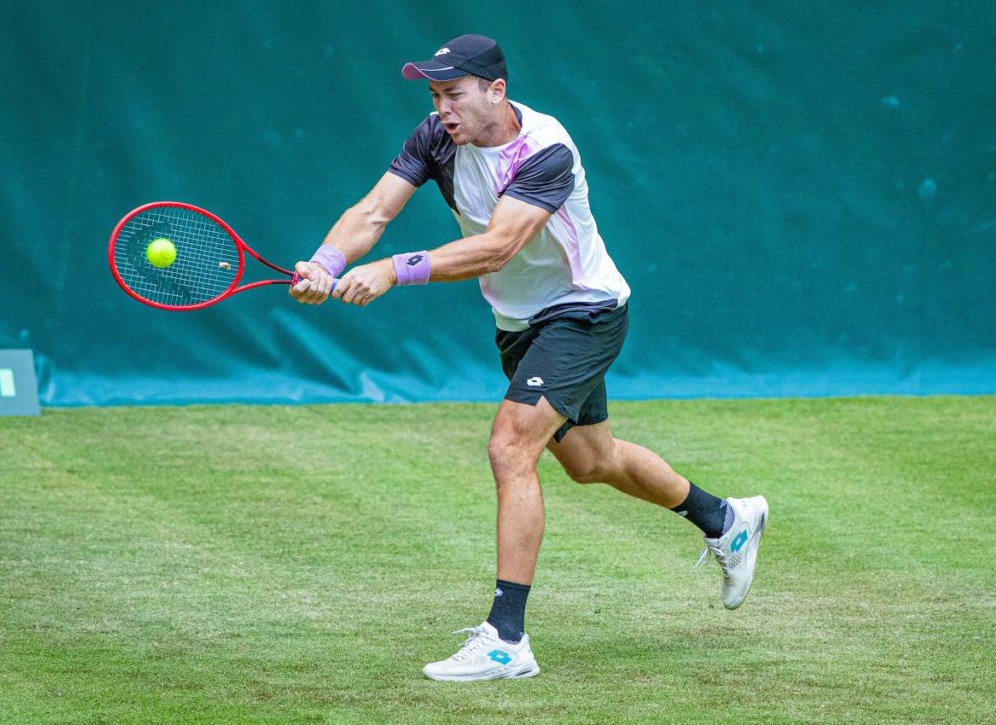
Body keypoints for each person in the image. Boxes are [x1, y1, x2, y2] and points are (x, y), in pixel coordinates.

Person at [290, 34, 768, 682]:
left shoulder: (546, 150)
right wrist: (326, 262)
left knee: (511, 446)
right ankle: (726, 519)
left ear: (496, 91)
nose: (442, 108)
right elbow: (374, 210)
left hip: (583, 311)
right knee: (592, 461)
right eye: (434, 96)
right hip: (519, 324)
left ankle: (505, 640)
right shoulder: (435, 137)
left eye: (454, 94)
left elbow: (498, 247)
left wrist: (393, 270)